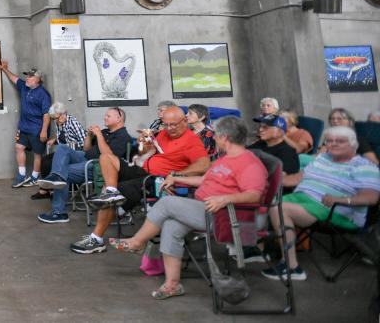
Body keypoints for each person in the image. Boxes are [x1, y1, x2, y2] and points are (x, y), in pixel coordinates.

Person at [107, 116, 267, 300]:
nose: (213, 138)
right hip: (206, 208)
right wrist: (177, 178)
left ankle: (137, 242)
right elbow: (204, 180)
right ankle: (172, 284)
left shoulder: (249, 162)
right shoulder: (224, 159)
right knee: (171, 226)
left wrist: (224, 199)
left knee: (167, 203)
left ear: (225, 137)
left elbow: (254, 194)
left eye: (216, 135)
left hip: (227, 216)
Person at [72, 106, 209, 254]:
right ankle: (111, 192)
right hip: (143, 171)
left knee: (110, 193)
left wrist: (177, 175)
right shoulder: (163, 133)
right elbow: (146, 153)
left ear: (185, 121)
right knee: (106, 158)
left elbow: (204, 164)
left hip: (156, 180)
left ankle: (96, 238)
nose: (169, 128)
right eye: (166, 124)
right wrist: (145, 144)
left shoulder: (191, 140)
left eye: (173, 124)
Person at [266, 125, 380, 281]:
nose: (333, 144)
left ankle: (291, 267)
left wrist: (341, 200)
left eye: (339, 141)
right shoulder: (322, 159)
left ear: (354, 145)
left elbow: (371, 197)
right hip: (302, 198)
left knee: (278, 208)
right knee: (262, 201)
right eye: (329, 141)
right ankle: (253, 251)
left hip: (335, 210)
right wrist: (269, 182)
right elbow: (298, 178)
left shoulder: (364, 166)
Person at [36, 107, 130, 224]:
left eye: (108, 116)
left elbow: (108, 156)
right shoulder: (105, 132)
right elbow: (87, 148)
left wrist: (99, 136)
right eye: (105, 115)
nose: (104, 117)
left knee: (63, 172)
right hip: (85, 157)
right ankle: (56, 176)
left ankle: (59, 213)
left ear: (119, 118)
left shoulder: (123, 136)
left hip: (97, 166)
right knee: (62, 148)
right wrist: (89, 136)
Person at [0, 60, 51, 187]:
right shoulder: (24, 86)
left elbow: (46, 114)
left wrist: (44, 130)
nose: (27, 78)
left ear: (37, 79)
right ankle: (22, 175)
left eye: (30, 76)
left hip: (37, 129)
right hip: (23, 127)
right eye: (27, 76)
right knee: (19, 148)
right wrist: (5, 69)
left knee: (37, 154)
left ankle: (34, 177)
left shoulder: (43, 94)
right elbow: (15, 78)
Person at [29, 103, 86, 201]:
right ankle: (45, 191)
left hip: (74, 153)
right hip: (63, 151)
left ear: (63, 114)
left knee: (49, 163)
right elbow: (63, 137)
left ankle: (51, 191)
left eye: (56, 118)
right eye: (53, 119)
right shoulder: (59, 122)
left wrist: (72, 146)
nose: (55, 121)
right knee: (44, 160)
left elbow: (84, 141)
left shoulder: (73, 123)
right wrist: (55, 140)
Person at [249, 114, 300, 178]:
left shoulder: (288, 152)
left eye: (266, 127)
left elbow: (278, 180)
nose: (260, 129)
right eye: (260, 126)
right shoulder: (260, 143)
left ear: (280, 131)